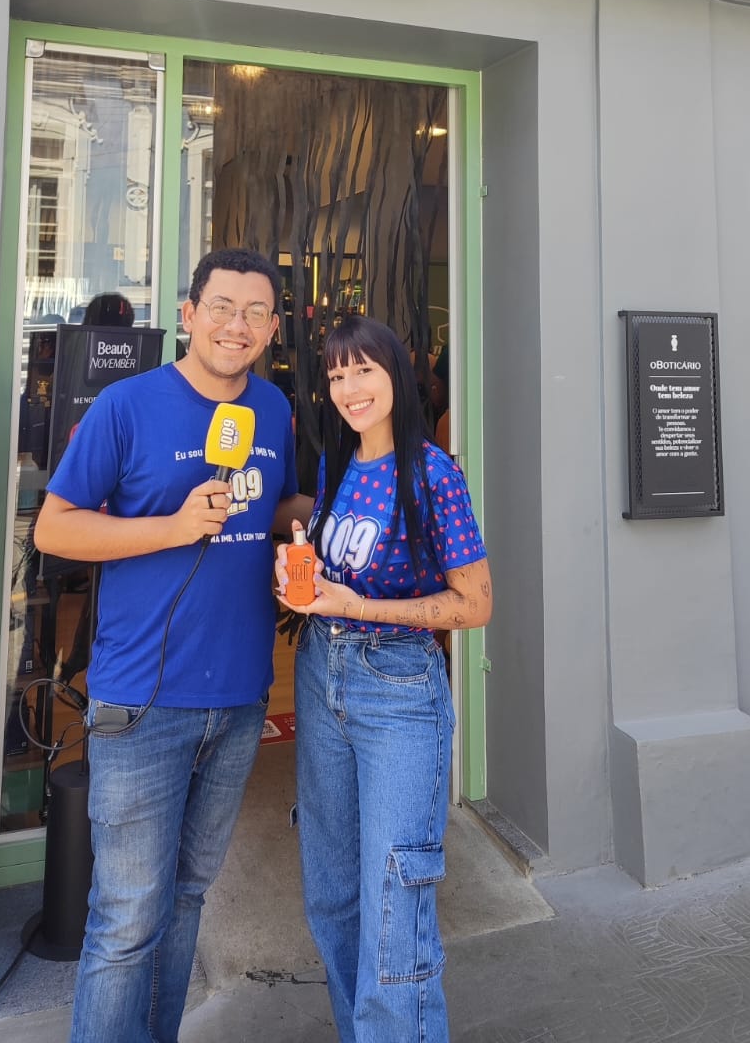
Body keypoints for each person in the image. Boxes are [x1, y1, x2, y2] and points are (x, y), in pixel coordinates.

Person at [34, 247, 311, 1043]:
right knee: (127, 918)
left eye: (255, 312)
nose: (237, 325)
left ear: (272, 328)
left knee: (188, 895)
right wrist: (174, 526)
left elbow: (273, 504)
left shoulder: (272, 410)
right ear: (189, 315)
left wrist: (332, 510)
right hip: (141, 704)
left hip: (239, 699)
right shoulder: (127, 406)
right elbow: (55, 528)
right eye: (222, 307)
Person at [275, 316, 492, 1043]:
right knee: (333, 893)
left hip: (397, 689)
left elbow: (475, 605)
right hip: (321, 674)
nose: (349, 388)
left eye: (363, 370)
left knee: (395, 905)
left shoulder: (432, 473)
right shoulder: (338, 467)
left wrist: (355, 605)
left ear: (397, 374)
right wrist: (301, 578)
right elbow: (330, 564)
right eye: (337, 376)